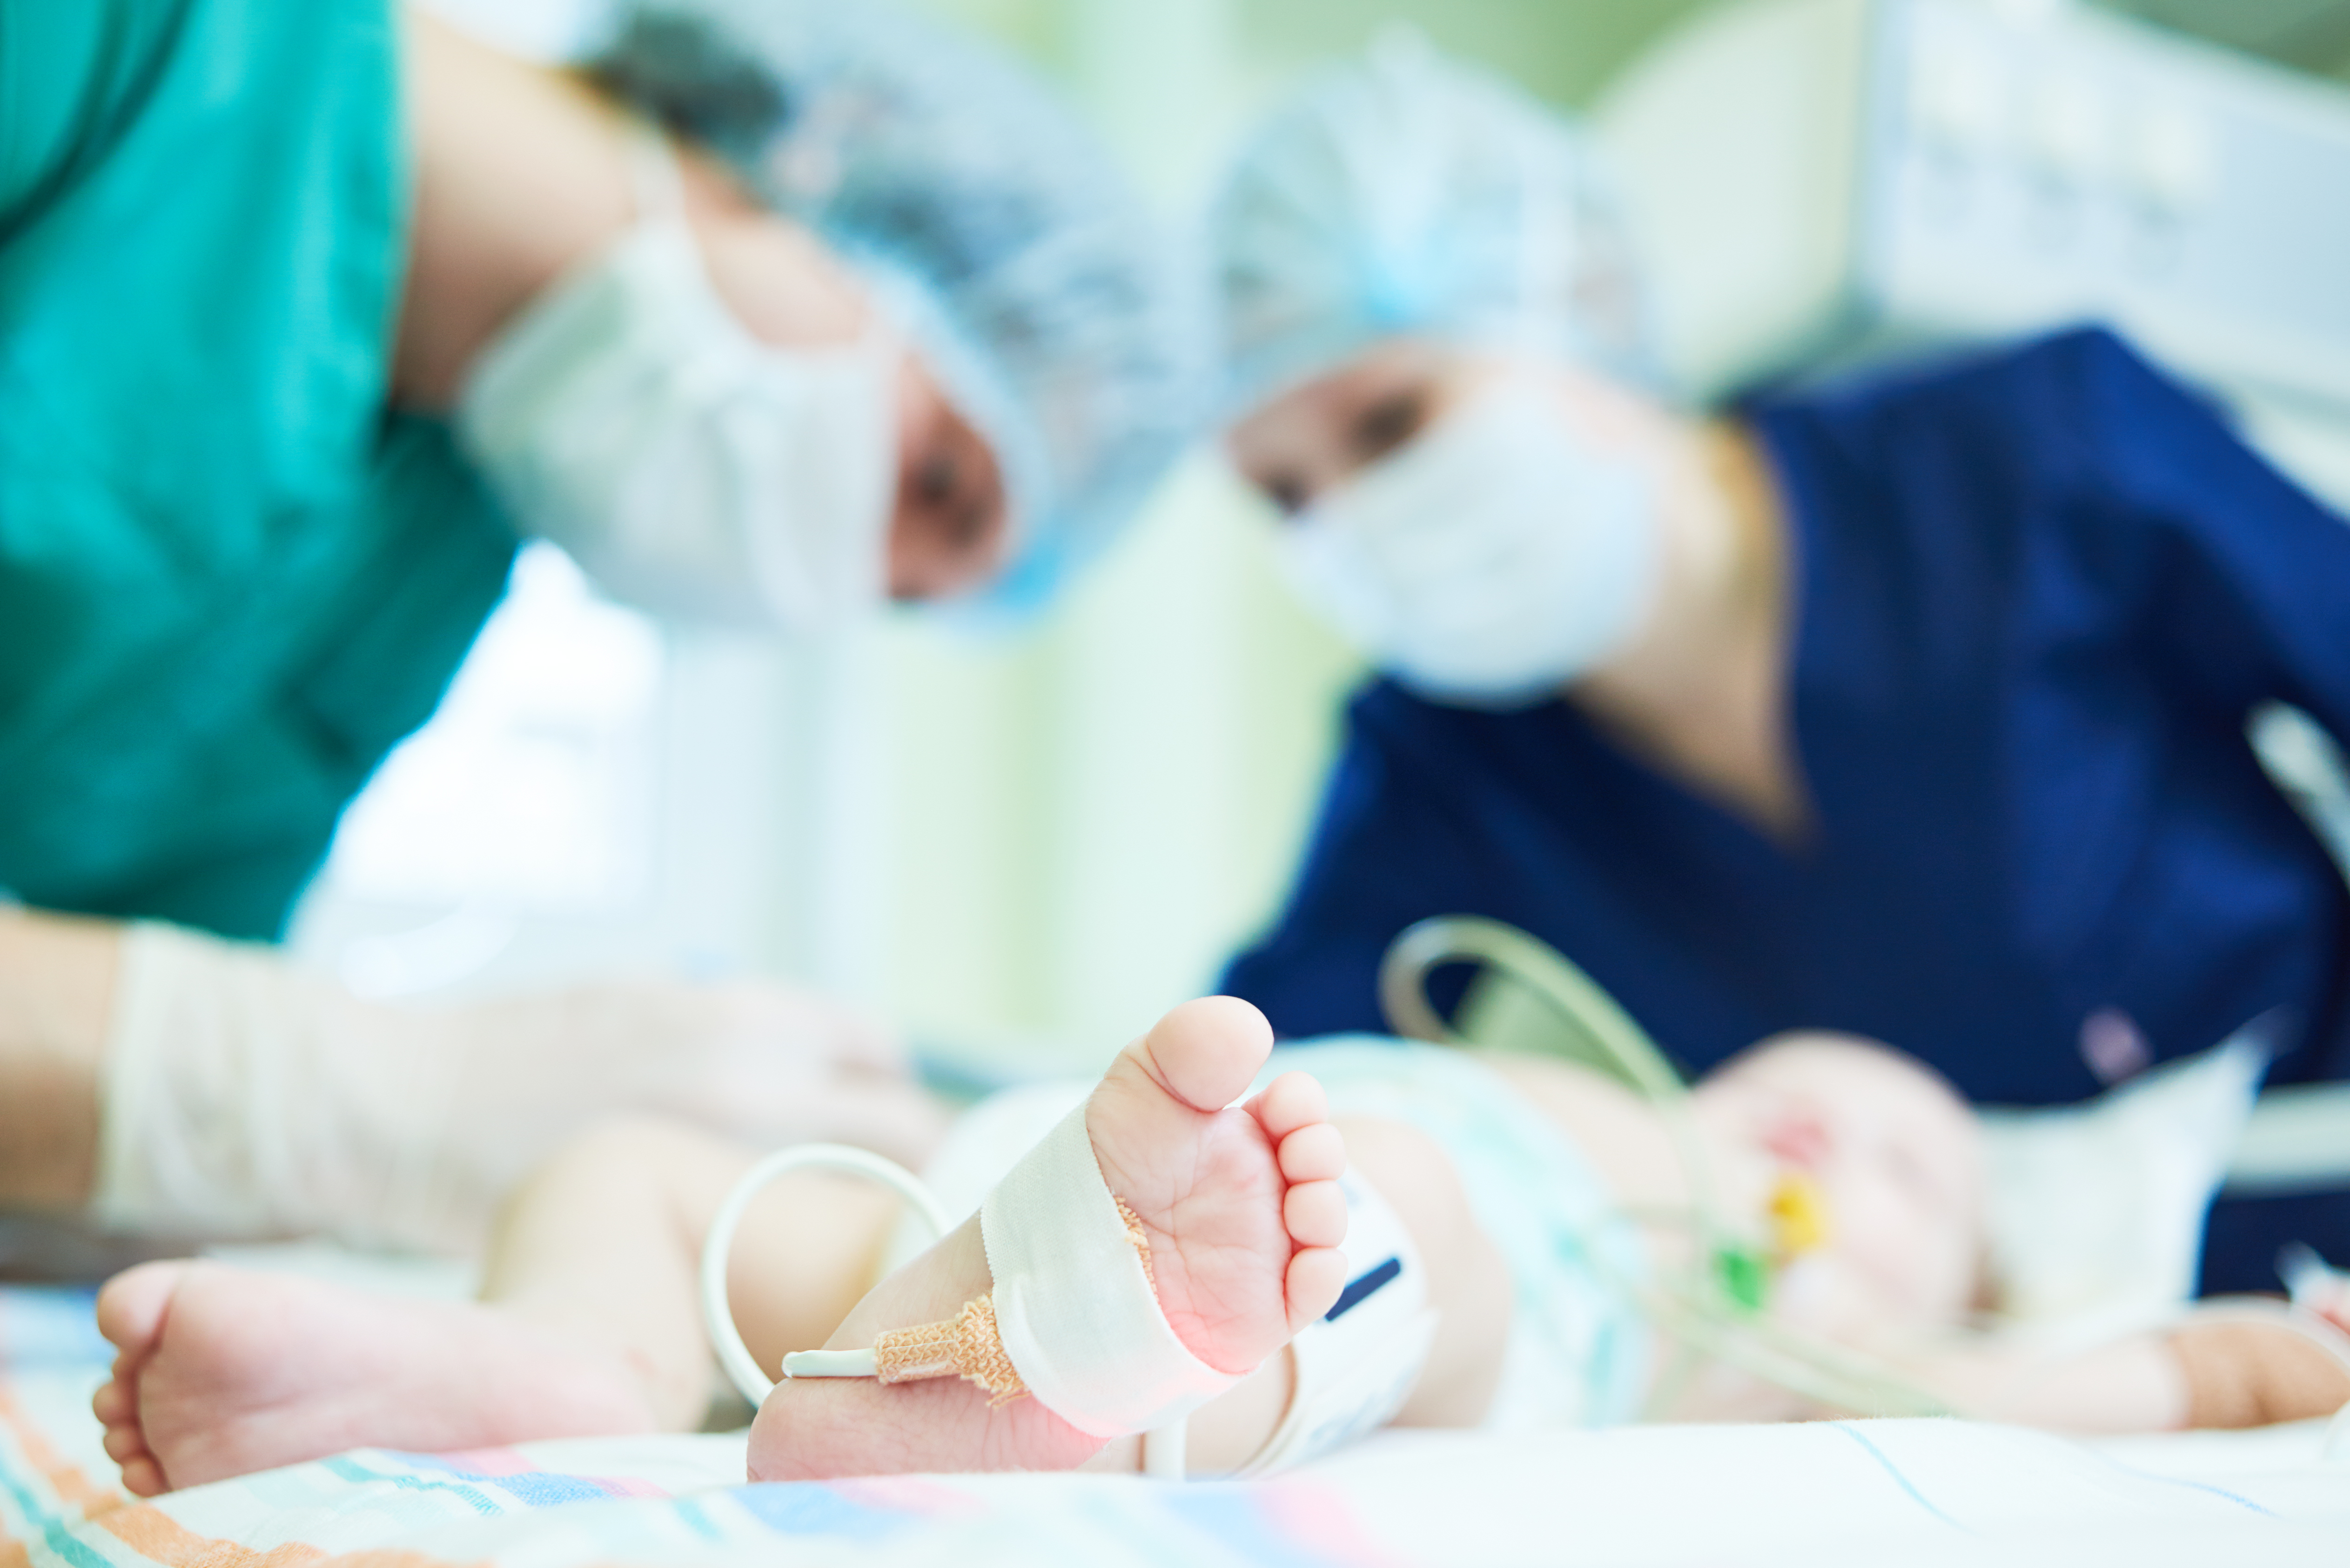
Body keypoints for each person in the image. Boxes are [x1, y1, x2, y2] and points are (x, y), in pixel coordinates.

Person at [0, 0, 1200, 1253]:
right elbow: (190, 1063)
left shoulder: (425, 557)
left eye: (899, 597)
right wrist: (365, 1090)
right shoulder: (123, 47)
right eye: (937, 481)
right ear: (826, 150)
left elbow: (104, 1093)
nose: (840, 581)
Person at [1202, 39, 2350, 1294]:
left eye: (1390, 421)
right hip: (1942, 1345)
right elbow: (1262, 1082)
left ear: (1575, 302)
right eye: (1282, 494)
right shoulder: (1441, 759)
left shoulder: (2031, 454)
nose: (1353, 519)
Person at [85, 996, 2350, 1494]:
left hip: (1410, 1280)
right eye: (1827, 1098)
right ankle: (561, 1360)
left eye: (1917, 1192)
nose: (1843, 1153)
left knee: (1380, 1254)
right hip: (1027, 1160)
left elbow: (2124, 1382)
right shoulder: (1586, 1084)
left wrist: (2260, 1371)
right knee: (656, 1172)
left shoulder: (1749, 1322)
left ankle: (1060, 1377)